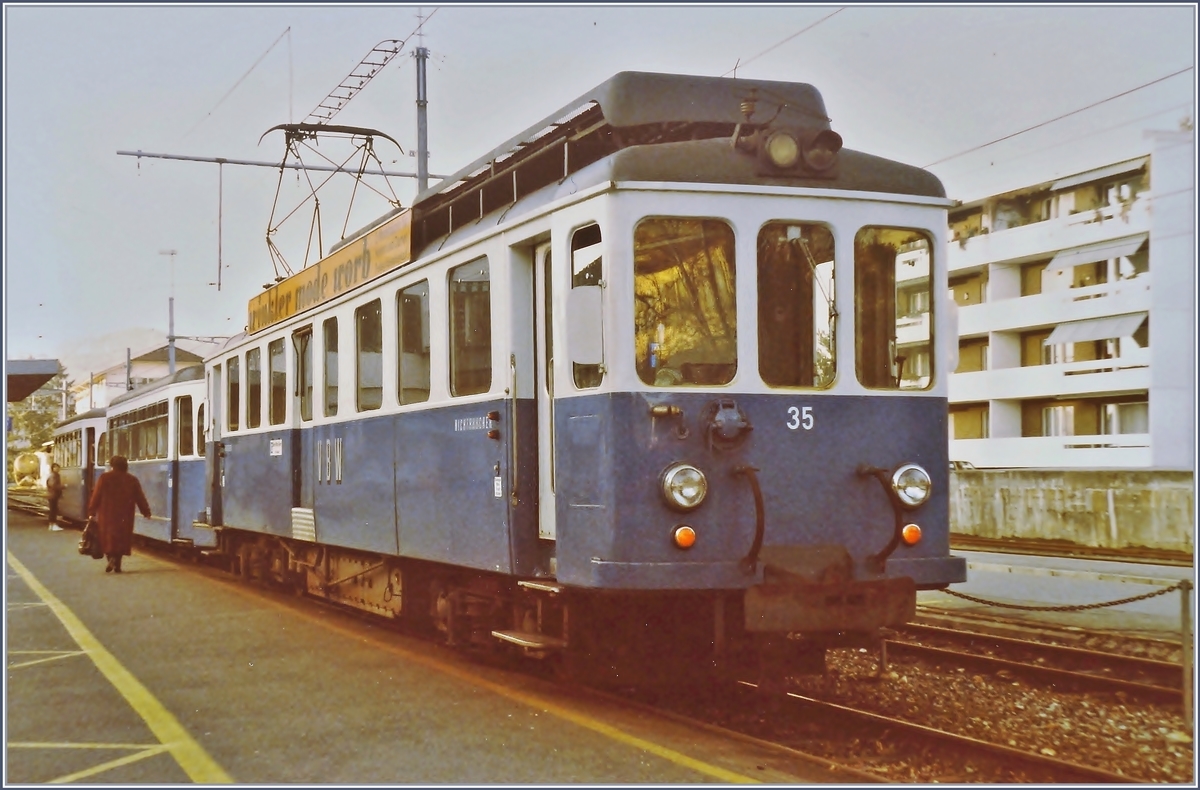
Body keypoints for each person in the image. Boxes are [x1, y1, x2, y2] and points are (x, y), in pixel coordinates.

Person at [87, 455, 151, 574]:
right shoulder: (132, 479)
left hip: (107, 514)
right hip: (125, 515)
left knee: (108, 539)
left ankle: (111, 558)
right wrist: (145, 511)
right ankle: (117, 564)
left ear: (112, 465)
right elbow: (140, 497)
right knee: (122, 538)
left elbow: (96, 495)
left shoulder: (104, 478)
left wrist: (91, 511)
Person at [46, 463, 64, 531]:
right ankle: (53, 525)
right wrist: (63, 486)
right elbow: (53, 485)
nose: (57, 469)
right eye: (56, 467)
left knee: (53, 510)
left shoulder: (53, 475)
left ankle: (51, 525)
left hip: (52, 495)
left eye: (58, 467)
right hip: (53, 495)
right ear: (53, 468)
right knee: (53, 510)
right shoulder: (54, 476)